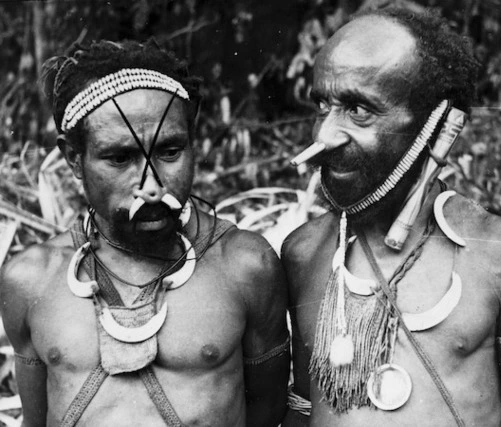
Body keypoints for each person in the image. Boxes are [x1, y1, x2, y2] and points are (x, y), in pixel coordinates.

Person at [282, 8, 501, 427]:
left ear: (435, 122)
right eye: (322, 105)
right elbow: (303, 409)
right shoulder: (304, 253)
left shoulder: (495, 253)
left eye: (359, 110)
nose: (324, 136)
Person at [0, 40, 289, 426]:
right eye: (120, 158)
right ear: (73, 159)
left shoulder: (245, 266)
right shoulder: (31, 280)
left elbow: (268, 415)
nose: (151, 187)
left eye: (170, 151)